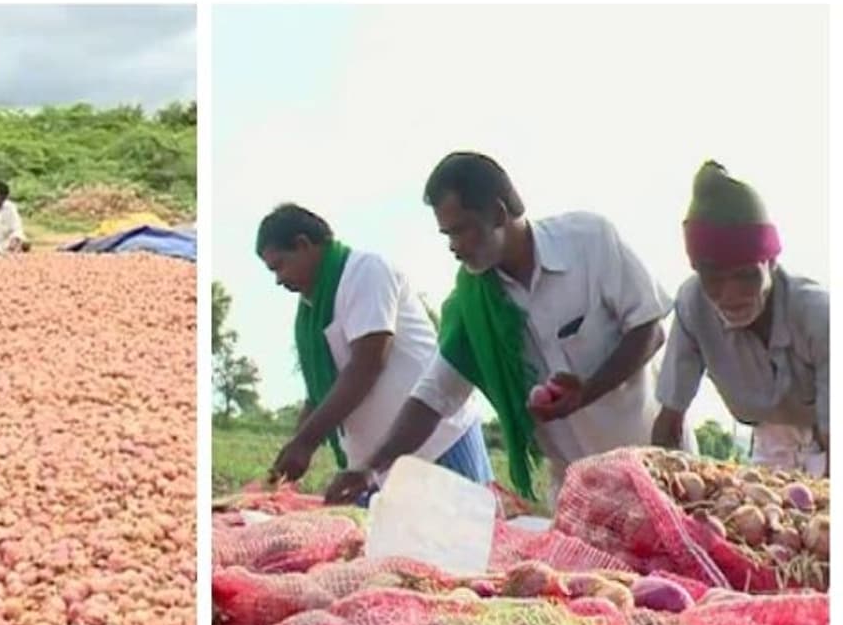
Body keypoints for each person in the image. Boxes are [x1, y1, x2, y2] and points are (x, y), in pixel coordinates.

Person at [326, 151, 686, 507]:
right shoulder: (474, 304)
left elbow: (649, 329)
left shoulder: (589, 241)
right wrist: (371, 467)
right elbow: (433, 396)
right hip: (582, 497)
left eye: (462, 230)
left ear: (498, 213)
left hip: (659, 470)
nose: (454, 246)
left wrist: (587, 391)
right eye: (446, 234)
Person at [259, 203, 492, 503]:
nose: (278, 279)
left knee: (463, 540)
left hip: (439, 443)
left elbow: (368, 364)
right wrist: (293, 449)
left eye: (279, 265)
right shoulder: (311, 312)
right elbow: (318, 394)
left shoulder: (365, 271)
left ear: (303, 245)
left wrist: (306, 441)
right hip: (375, 466)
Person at [653, 161, 829, 476]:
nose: (731, 295)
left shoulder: (818, 315)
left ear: (772, 262)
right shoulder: (693, 305)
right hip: (767, 446)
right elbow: (668, 422)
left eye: (746, 276)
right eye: (713, 278)